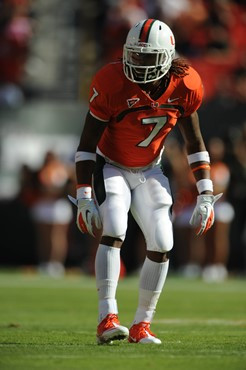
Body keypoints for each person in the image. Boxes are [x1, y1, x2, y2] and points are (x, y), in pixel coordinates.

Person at [73, 19, 222, 344]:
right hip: (110, 165)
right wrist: (84, 194)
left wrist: (206, 194)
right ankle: (106, 317)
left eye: (147, 57)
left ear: (167, 57)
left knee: (163, 241)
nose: (138, 64)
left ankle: (142, 325)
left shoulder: (186, 84)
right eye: (135, 55)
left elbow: (194, 143)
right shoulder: (111, 81)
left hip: (150, 169)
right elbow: (86, 146)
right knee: (114, 226)